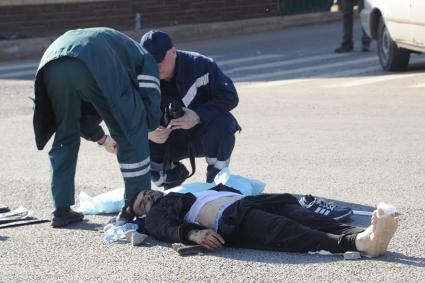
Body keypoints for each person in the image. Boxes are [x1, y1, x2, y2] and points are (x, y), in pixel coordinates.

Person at [33, 27, 161, 227]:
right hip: (93, 59)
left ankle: (61, 209)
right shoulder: (146, 58)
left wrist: (102, 138)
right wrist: (151, 123)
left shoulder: (118, 46)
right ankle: (134, 208)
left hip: (52, 62)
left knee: (65, 134)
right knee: (131, 130)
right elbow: (148, 102)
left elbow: (83, 117)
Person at [129, 185, 399, 257]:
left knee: (309, 218)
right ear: (141, 214)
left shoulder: (182, 192)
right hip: (232, 218)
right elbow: (161, 227)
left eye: (147, 192)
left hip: (250, 203)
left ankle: (365, 233)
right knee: (290, 231)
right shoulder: (156, 213)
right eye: (142, 201)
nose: (148, 196)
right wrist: (192, 235)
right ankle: (360, 243)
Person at [139, 30, 241, 189]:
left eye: (160, 60)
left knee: (223, 122)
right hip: (166, 139)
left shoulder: (200, 65)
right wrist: (147, 131)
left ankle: (217, 181)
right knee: (136, 139)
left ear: (173, 52)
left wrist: (198, 115)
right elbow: (125, 113)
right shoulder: (139, 74)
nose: (156, 67)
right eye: (151, 62)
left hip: (202, 134)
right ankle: (171, 176)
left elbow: (230, 96)